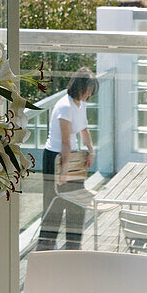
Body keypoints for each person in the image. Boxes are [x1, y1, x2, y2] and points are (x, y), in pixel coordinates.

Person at [36, 67, 98, 251]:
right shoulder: (65, 106)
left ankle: (73, 249)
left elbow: (84, 130)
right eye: (89, 90)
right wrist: (63, 172)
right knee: (53, 207)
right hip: (55, 158)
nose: (90, 95)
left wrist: (91, 151)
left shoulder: (81, 104)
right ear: (80, 87)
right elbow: (64, 143)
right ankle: (45, 250)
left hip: (72, 157)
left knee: (76, 206)